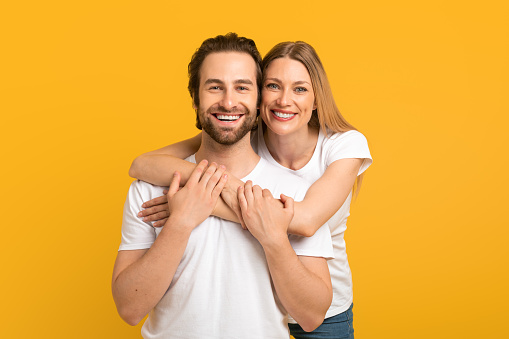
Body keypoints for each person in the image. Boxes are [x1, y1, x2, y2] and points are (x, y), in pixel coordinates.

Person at [130, 40, 373, 339]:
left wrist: (204, 205)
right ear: (260, 97)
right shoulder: (241, 130)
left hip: (324, 307)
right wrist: (198, 189)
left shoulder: (343, 145)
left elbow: (306, 221)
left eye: (299, 89)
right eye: (273, 85)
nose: (285, 100)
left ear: (316, 100)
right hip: (265, 303)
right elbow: (144, 163)